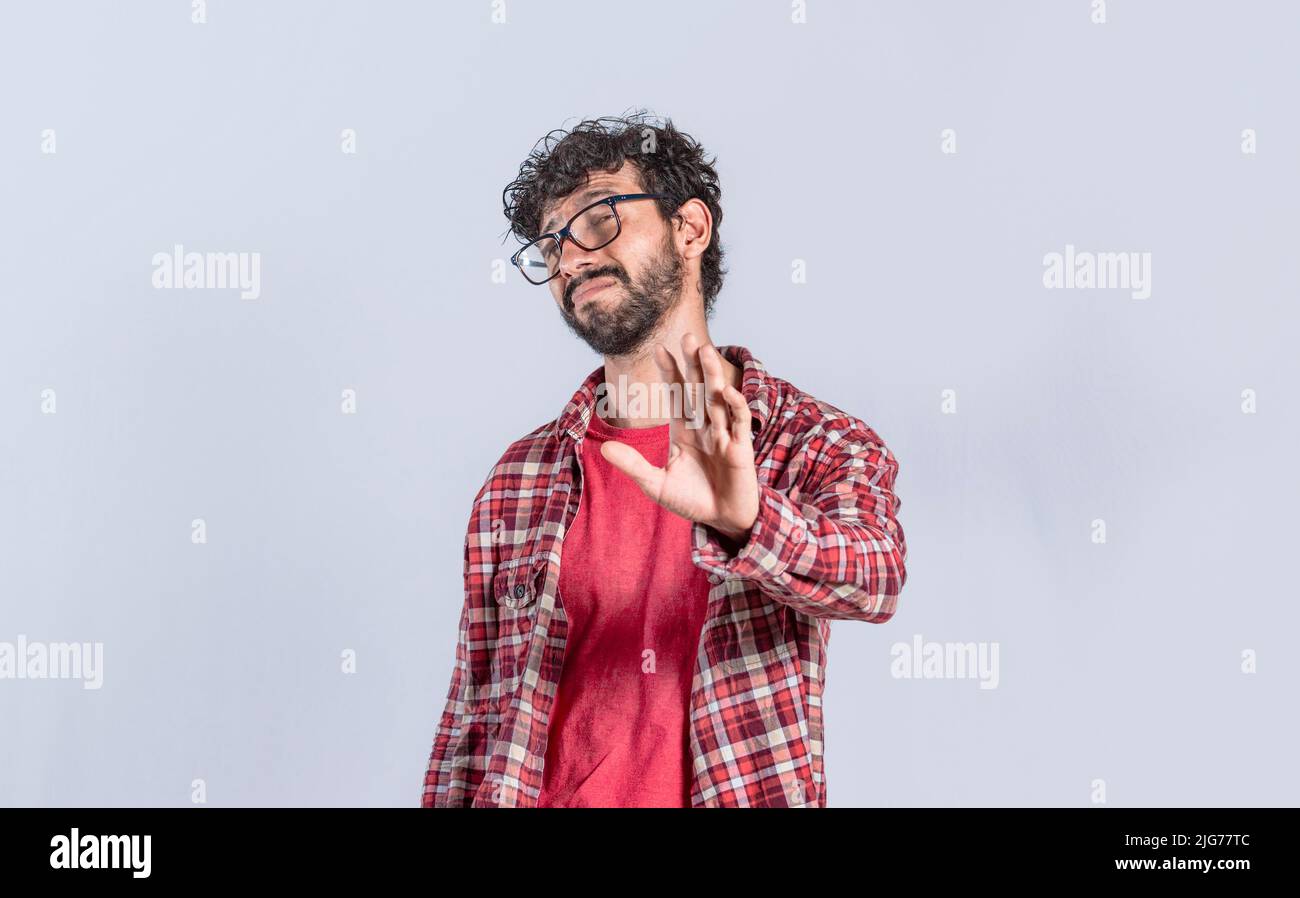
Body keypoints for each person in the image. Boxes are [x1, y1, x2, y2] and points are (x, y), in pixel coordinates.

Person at [421, 112, 908, 808]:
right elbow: (475, 717)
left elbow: (876, 578)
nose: (571, 258)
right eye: (551, 244)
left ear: (690, 229)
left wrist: (749, 520)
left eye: (596, 221)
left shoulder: (812, 440)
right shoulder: (517, 479)